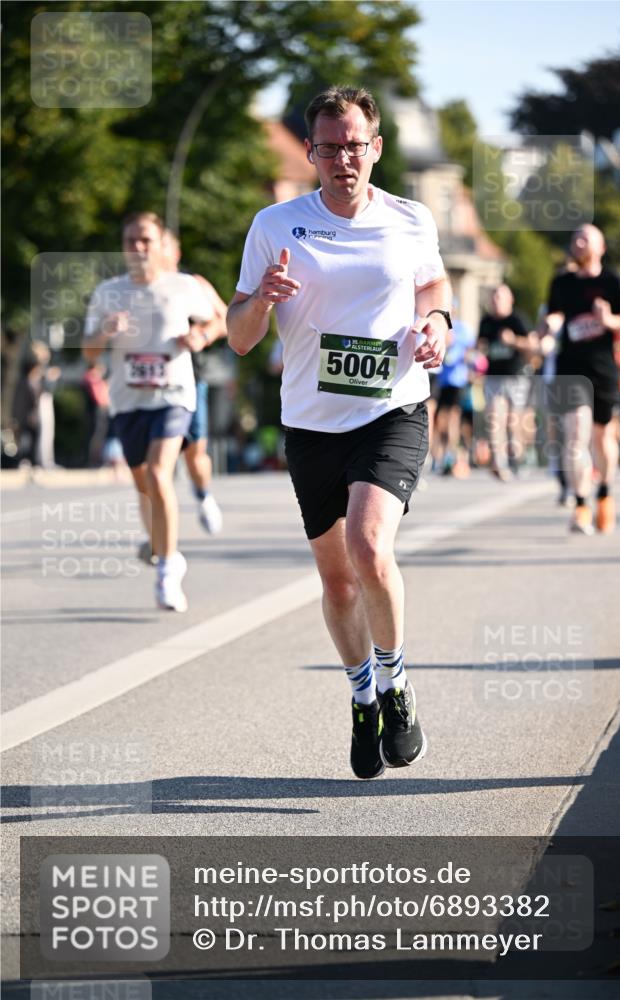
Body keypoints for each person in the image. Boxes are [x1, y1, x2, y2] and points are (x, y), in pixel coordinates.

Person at [227, 86, 451, 779]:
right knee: (337, 580)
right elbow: (237, 339)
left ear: (375, 148)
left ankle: (394, 685)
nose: (342, 159)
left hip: (391, 408)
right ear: (310, 153)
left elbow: (433, 289)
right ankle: (361, 698)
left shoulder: (411, 220)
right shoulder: (274, 224)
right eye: (328, 147)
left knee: (367, 547)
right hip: (311, 422)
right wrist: (261, 299)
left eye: (354, 145)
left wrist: (438, 326)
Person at [83, 211, 215, 611]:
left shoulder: (183, 286)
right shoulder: (108, 292)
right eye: (130, 242)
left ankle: (168, 569)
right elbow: (89, 354)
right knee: (144, 485)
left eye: (146, 241)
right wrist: (104, 332)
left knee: (160, 473)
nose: (138, 248)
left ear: (161, 246)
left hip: (174, 395)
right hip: (127, 402)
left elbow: (217, 323)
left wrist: (199, 336)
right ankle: (161, 549)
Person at [541, 224, 620, 534]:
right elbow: (556, 314)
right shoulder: (561, 282)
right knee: (575, 436)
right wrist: (550, 324)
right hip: (570, 369)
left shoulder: (612, 281)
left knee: (603, 439)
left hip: (603, 371)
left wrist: (609, 320)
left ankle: (605, 493)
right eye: (575, 238)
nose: (579, 242)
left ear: (601, 248)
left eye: (586, 238)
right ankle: (581, 503)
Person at [161, 229, 227, 536]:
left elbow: (226, 319)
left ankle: (203, 495)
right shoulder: (130, 289)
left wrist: (200, 335)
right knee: (156, 462)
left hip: (188, 377)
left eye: (159, 246)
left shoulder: (193, 284)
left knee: (193, 454)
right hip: (147, 385)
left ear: (175, 253)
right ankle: (158, 533)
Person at [478, 284, 534, 481]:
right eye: (494, 298)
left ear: (510, 300)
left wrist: (513, 341)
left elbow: (532, 344)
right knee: (495, 417)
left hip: (516, 376)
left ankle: (516, 458)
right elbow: (480, 345)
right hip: (493, 377)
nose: (496, 302)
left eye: (500, 297)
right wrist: (479, 351)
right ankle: (498, 462)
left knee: (513, 421)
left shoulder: (517, 320)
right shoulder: (486, 321)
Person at [432, 303, 475, 477]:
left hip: (457, 380)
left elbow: (471, 351)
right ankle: (440, 455)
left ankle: (452, 455)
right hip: (441, 380)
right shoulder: (440, 326)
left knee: (454, 419)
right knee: (440, 420)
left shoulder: (462, 329)